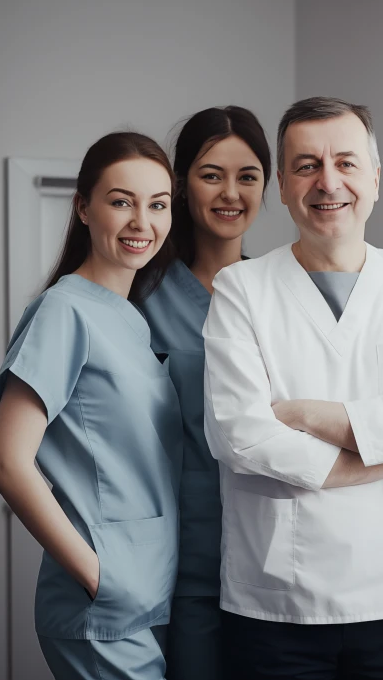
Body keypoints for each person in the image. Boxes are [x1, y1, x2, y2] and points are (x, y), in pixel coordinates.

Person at [202, 96, 383, 680]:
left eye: (347, 163)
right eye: (306, 165)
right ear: (282, 184)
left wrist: (303, 413)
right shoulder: (241, 290)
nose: (328, 182)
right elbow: (240, 437)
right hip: (277, 602)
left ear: (375, 179)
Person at [0, 132, 183, 680]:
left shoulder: (132, 319)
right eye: (121, 201)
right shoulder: (64, 310)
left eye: (158, 205)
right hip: (105, 603)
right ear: (82, 206)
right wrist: (99, 576)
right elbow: (7, 463)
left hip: (150, 594)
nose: (141, 222)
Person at [141, 106, 271, 679]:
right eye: (211, 173)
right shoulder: (141, 295)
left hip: (271, 559)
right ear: (180, 183)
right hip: (176, 562)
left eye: (248, 176)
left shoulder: (281, 292)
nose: (230, 193)